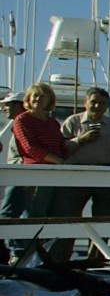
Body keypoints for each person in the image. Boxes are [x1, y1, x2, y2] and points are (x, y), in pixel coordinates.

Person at [11, 82, 84, 258]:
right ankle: (25, 256)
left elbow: (61, 145)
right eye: (35, 95)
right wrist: (58, 161)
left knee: (60, 214)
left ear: (49, 100)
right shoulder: (22, 120)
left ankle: (51, 258)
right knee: (34, 215)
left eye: (42, 96)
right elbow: (29, 148)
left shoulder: (51, 122)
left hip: (57, 173)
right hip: (37, 173)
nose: (38, 98)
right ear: (28, 99)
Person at [61, 86, 110, 225]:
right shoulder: (72, 122)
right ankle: (65, 247)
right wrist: (81, 140)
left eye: (102, 103)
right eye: (93, 102)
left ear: (107, 106)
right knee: (69, 218)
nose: (97, 106)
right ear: (85, 102)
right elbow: (60, 149)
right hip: (77, 175)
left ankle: (98, 248)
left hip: (105, 176)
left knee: (103, 221)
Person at [0, 91, 26, 262]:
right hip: (17, 175)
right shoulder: (16, 125)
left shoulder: (22, 124)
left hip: (22, 175)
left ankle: (16, 252)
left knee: (9, 213)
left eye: (8, 104)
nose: (4, 108)